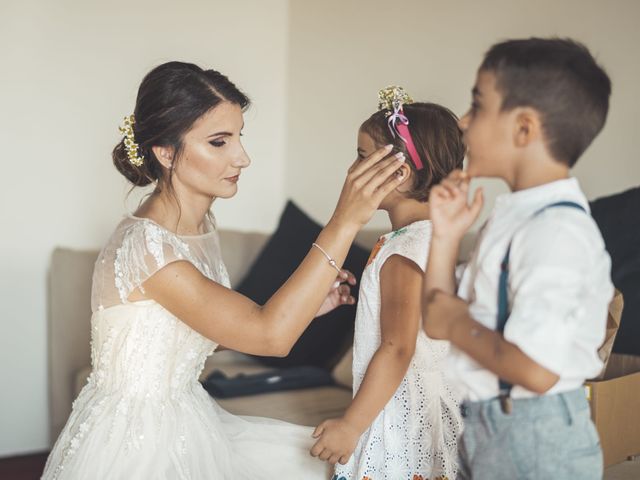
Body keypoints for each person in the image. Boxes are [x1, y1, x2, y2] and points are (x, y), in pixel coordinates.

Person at [42, 61, 407, 479]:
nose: (243, 157)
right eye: (219, 142)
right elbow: (269, 336)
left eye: (239, 137)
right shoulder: (147, 246)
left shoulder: (199, 227)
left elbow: (194, 334)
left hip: (187, 414)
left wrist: (307, 308)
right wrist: (344, 221)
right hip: (138, 441)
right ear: (165, 153)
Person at [422, 38, 614, 479]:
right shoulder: (513, 217)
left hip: (536, 436)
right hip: (489, 425)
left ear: (524, 129)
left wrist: (456, 321)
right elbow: (436, 319)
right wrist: (446, 235)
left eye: (477, 105)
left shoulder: (554, 232)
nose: (464, 122)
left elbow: (536, 369)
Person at [311, 86, 464, 480]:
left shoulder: (405, 250)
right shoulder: (435, 238)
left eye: (362, 156)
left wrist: (350, 426)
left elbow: (398, 347)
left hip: (404, 414)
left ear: (399, 173)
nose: (352, 169)